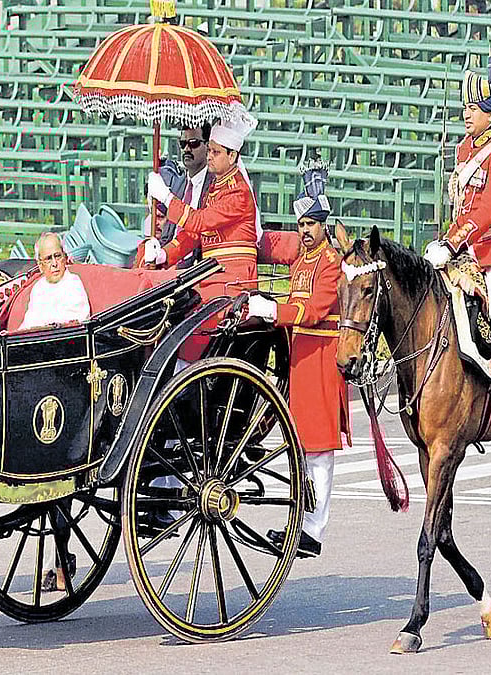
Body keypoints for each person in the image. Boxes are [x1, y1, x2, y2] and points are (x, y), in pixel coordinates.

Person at [423, 43, 491, 444]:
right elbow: (465, 206)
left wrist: (452, 242)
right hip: (471, 250)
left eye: (472, 107)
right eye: (465, 107)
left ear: (490, 112)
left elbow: (487, 210)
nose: (465, 114)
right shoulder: (465, 149)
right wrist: (447, 242)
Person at [249, 159, 351, 558]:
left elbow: (311, 310)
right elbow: (269, 243)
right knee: (301, 447)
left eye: (311, 224)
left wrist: (274, 310)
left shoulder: (330, 263)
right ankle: (301, 523)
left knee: (319, 450)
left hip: (322, 360)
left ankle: (314, 530)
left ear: (323, 223)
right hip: (300, 360)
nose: (304, 231)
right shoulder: (302, 257)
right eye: (301, 224)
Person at [139, 108, 261, 359]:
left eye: (216, 152)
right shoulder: (215, 189)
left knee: (187, 319)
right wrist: (164, 254)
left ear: (232, 155)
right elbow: (194, 236)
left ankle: (183, 373)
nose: (210, 157)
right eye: (210, 151)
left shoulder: (238, 192)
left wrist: (166, 197)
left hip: (232, 280)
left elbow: (200, 221)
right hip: (213, 275)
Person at [18, 232, 91, 330]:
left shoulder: (73, 283)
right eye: (48, 259)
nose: (54, 263)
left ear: (64, 258)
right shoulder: (38, 288)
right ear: (40, 265)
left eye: (57, 256)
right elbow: (29, 323)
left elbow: (76, 323)